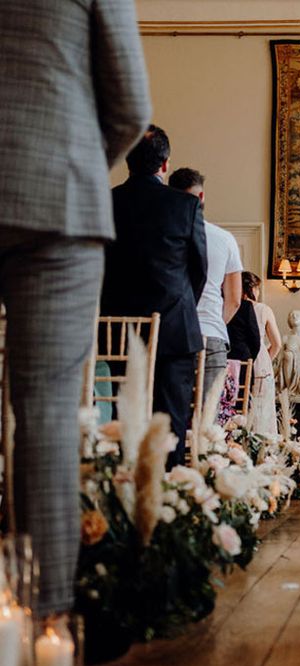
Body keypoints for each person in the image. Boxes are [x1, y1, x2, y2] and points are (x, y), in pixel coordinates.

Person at [0, 0, 150, 615]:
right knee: (46, 417)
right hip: (58, 196)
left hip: (54, 188)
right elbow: (130, 108)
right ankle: (45, 627)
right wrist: (71, 160)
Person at [102, 125, 208, 469]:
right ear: (165, 165)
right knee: (172, 423)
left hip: (120, 330)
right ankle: (168, 497)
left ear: (127, 162)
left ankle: (127, 492)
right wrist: (178, 304)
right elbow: (198, 269)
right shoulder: (186, 206)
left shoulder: (106, 203)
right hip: (174, 330)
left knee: (126, 417)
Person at [168, 167, 243, 400]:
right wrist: (213, 324)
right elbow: (234, 300)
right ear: (201, 196)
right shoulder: (225, 239)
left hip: (174, 335)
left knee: (171, 416)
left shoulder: (166, 236)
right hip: (212, 336)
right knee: (208, 420)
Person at [245, 273, 282, 435]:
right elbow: (277, 344)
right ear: (252, 289)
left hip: (238, 359)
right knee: (263, 411)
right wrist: (265, 359)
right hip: (260, 361)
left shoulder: (231, 307)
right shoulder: (263, 309)